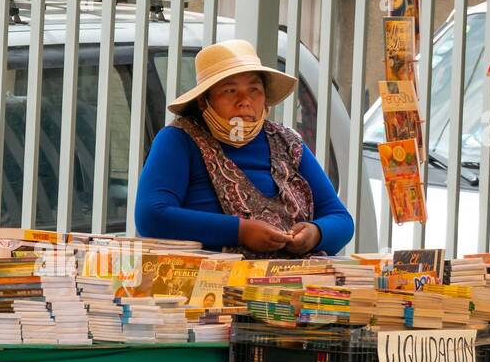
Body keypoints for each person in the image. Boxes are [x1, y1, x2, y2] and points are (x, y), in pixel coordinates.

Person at [134, 39, 355, 256]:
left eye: (254, 90)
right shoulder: (179, 139)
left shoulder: (288, 142)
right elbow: (152, 216)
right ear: (204, 101)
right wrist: (241, 232)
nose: (244, 100)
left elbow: (340, 219)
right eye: (230, 91)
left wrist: (316, 233)